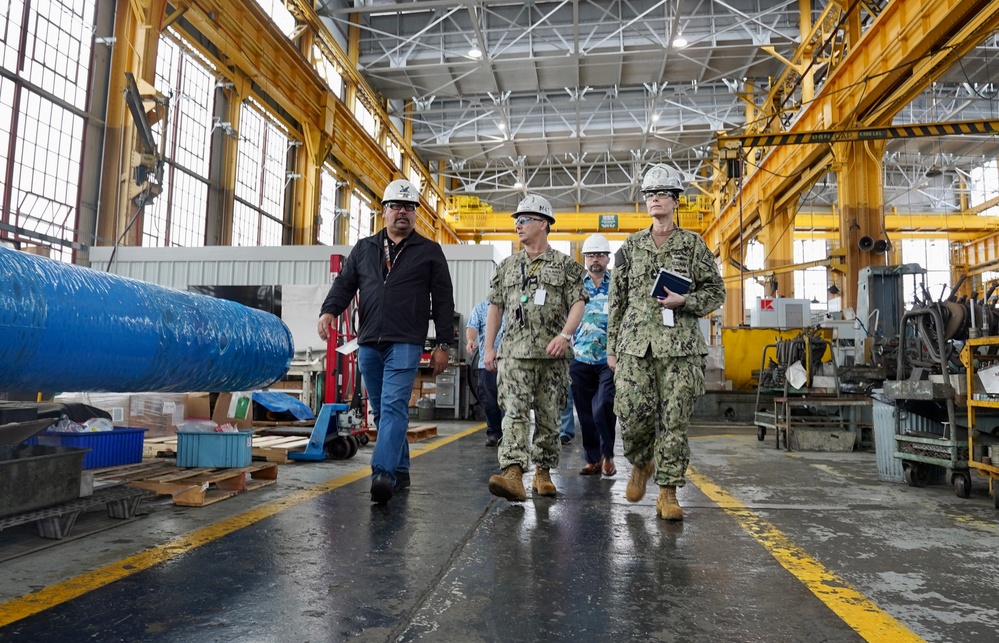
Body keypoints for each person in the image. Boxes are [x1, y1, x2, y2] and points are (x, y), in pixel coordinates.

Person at [318, 179, 455, 505]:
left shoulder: (429, 251)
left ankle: (383, 474)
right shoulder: (365, 249)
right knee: (382, 411)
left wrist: (443, 345)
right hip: (368, 342)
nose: (402, 213)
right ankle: (401, 468)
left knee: (393, 407)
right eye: (396, 206)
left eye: (409, 207)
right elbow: (345, 285)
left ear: (415, 214)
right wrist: (328, 312)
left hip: (406, 341)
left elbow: (444, 300)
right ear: (384, 211)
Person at [606, 164, 725, 521]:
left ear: (675, 201)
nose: (654, 199)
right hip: (634, 347)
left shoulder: (692, 245)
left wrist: (684, 302)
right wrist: (612, 347)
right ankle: (642, 462)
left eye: (661, 194)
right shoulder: (630, 246)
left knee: (675, 420)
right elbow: (617, 297)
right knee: (631, 415)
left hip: (680, 347)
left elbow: (716, 291)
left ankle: (668, 493)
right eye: (649, 195)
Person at [483, 194, 587, 501]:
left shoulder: (567, 265)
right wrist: (490, 347)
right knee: (513, 413)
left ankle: (543, 472)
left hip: (552, 356)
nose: (518, 225)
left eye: (524, 219)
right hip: (514, 353)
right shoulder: (506, 266)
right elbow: (495, 308)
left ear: (543, 224)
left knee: (549, 416)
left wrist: (565, 335)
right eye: (516, 220)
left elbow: (578, 303)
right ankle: (513, 472)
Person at [571, 233, 618, 478]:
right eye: (590, 255)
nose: (595, 260)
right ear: (585, 259)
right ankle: (593, 459)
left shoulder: (617, 285)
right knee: (585, 412)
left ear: (607, 258)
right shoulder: (576, 286)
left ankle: (608, 454)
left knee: (604, 406)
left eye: (599, 255)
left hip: (609, 360)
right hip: (580, 357)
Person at [466, 299, 505, 446]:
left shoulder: (515, 305)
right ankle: (494, 432)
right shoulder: (481, 308)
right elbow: (472, 327)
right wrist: (470, 340)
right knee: (489, 400)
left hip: (510, 363)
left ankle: (509, 434)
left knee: (509, 400)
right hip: (487, 363)